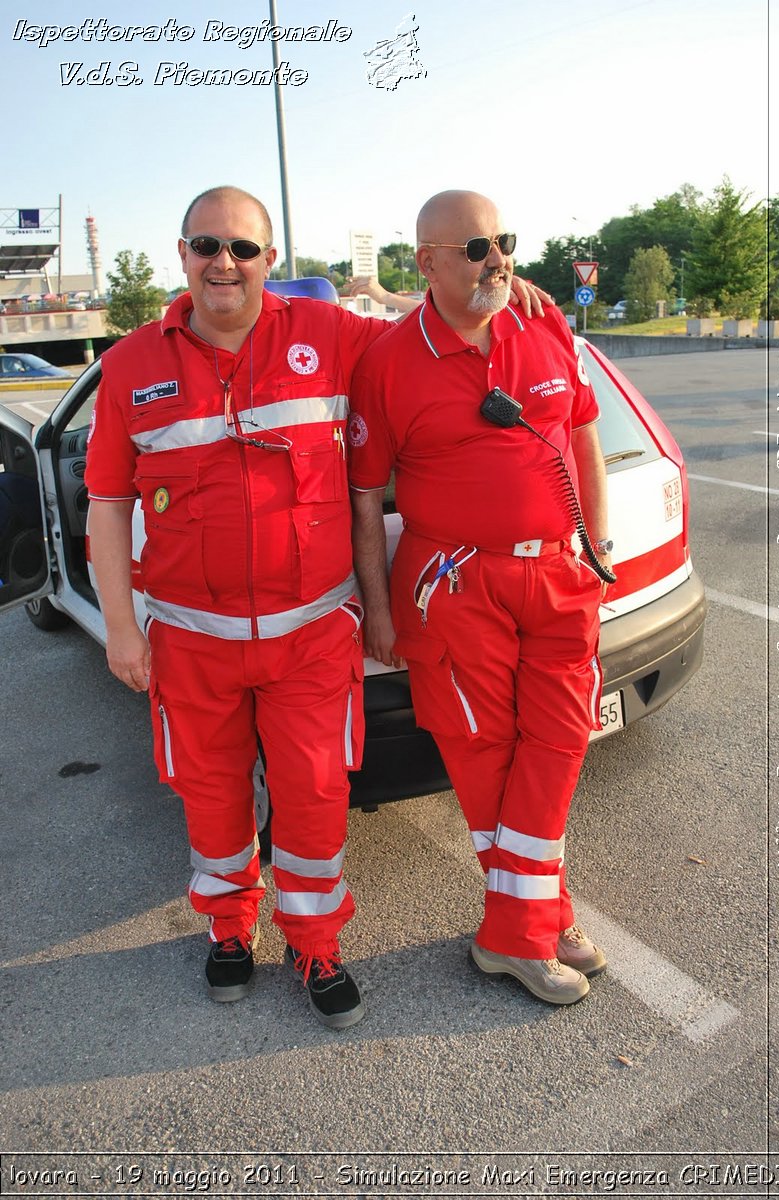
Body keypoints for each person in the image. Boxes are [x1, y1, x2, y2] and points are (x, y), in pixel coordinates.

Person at [85, 185, 548, 1024]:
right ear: (181, 255)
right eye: (205, 245)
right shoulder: (129, 366)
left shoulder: (332, 337)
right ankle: (229, 929)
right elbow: (108, 506)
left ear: (272, 260)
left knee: (313, 798)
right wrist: (121, 627)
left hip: (309, 639)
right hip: (191, 642)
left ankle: (314, 944)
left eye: (244, 248)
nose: (223, 262)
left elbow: (435, 331)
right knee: (211, 795)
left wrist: (498, 283)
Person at [349, 190, 611, 1007]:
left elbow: (582, 438)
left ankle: (516, 926)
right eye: (473, 248)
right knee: (485, 758)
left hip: (559, 576)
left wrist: (595, 551)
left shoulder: (546, 326)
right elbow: (364, 499)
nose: (495, 258)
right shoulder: (388, 361)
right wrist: (379, 612)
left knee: (563, 735)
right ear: (425, 263)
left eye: (501, 241)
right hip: (454, 587)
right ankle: (535, 927)